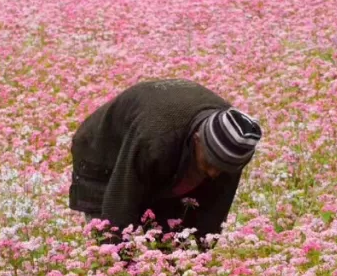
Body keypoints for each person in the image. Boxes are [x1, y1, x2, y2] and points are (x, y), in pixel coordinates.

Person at [69, 79, 262, 242]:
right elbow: (120, 202)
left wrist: (197, 259)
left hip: (163, 149)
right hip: (104, 152)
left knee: (172, 235)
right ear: (197, 139)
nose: (213, 173)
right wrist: (118, 262)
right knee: (112, 237)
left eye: (221, 169)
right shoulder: (156, 138)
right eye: (210, 163)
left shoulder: (234, 142)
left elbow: (213, 211)